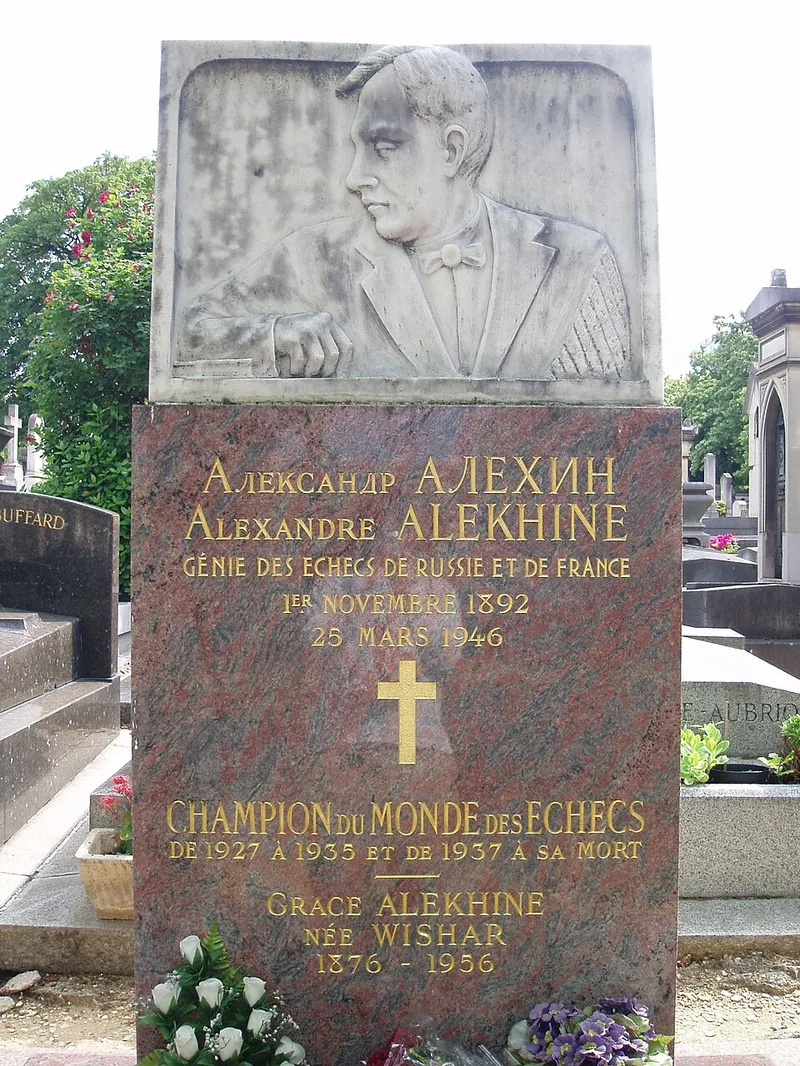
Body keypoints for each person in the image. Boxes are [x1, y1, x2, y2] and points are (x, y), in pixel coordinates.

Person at [180, 45, 631, 381]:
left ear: (452, 150)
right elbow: (188, 334)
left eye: (384, 148)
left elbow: (614, 424)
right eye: (358, 150)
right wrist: (275, 336)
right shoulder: (315, 258)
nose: (355, 178)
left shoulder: (576, 261)